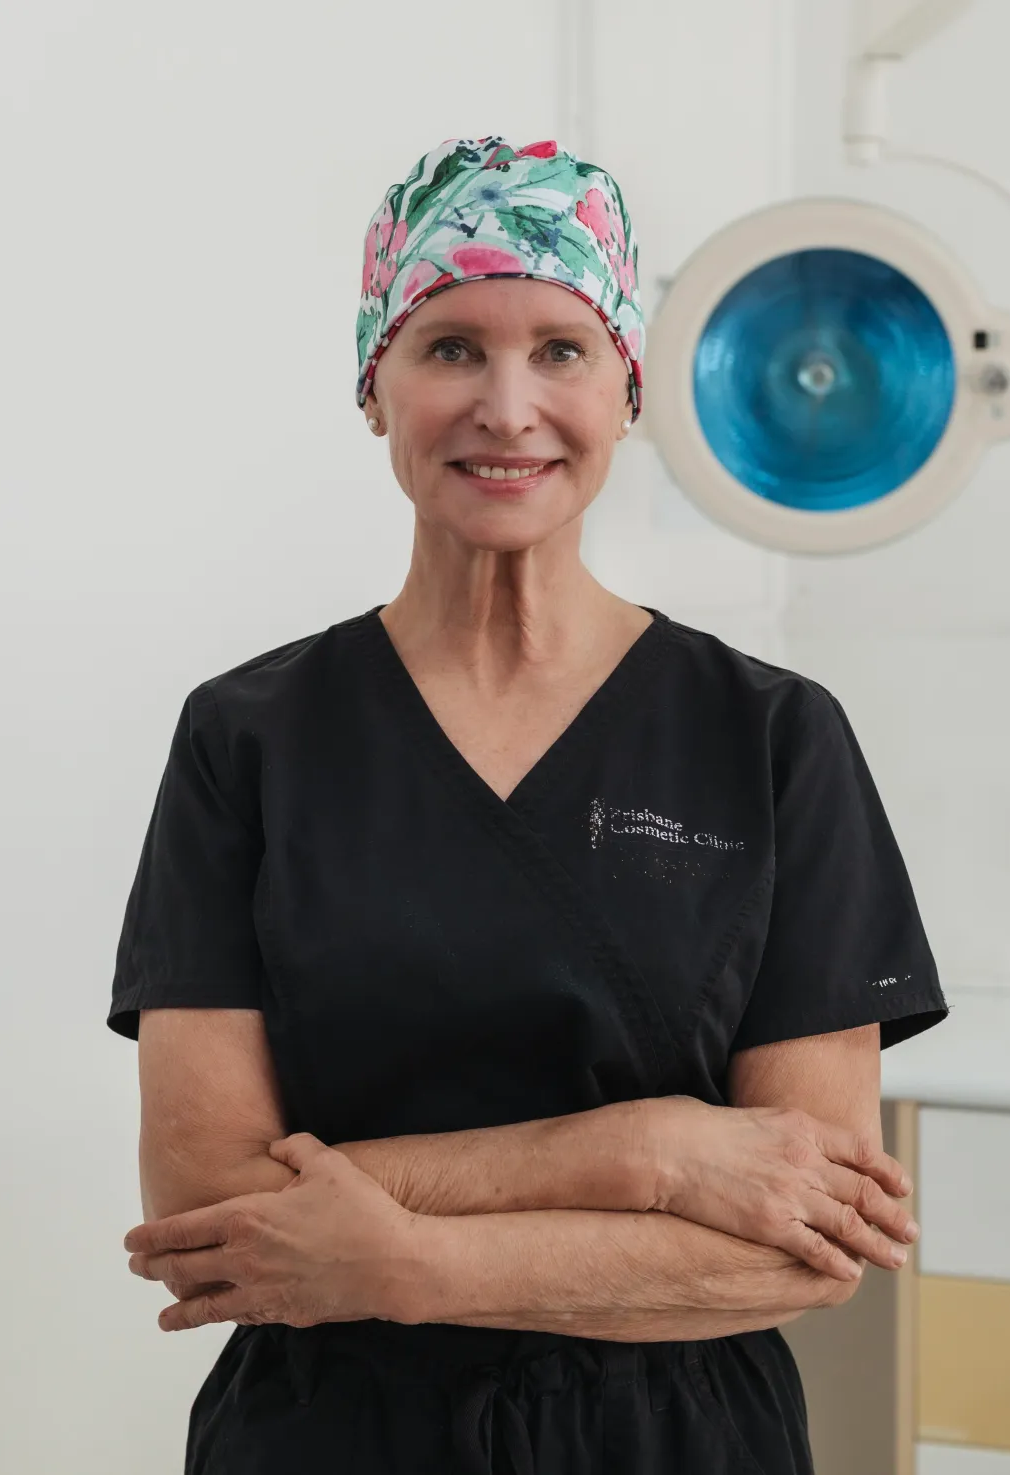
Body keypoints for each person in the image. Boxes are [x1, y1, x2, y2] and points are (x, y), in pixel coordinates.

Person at [108, 134, 948, 1475]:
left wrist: (407, 1259)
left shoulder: (774, 737)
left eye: (560, 349)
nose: (508, 407)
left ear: (627, 387)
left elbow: (806, 1243)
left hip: (678, 1441)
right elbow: (215, 1214)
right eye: (450, 347)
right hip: (327, 1437)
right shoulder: (249, 738)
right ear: (373, 385)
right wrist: (650, 1152)